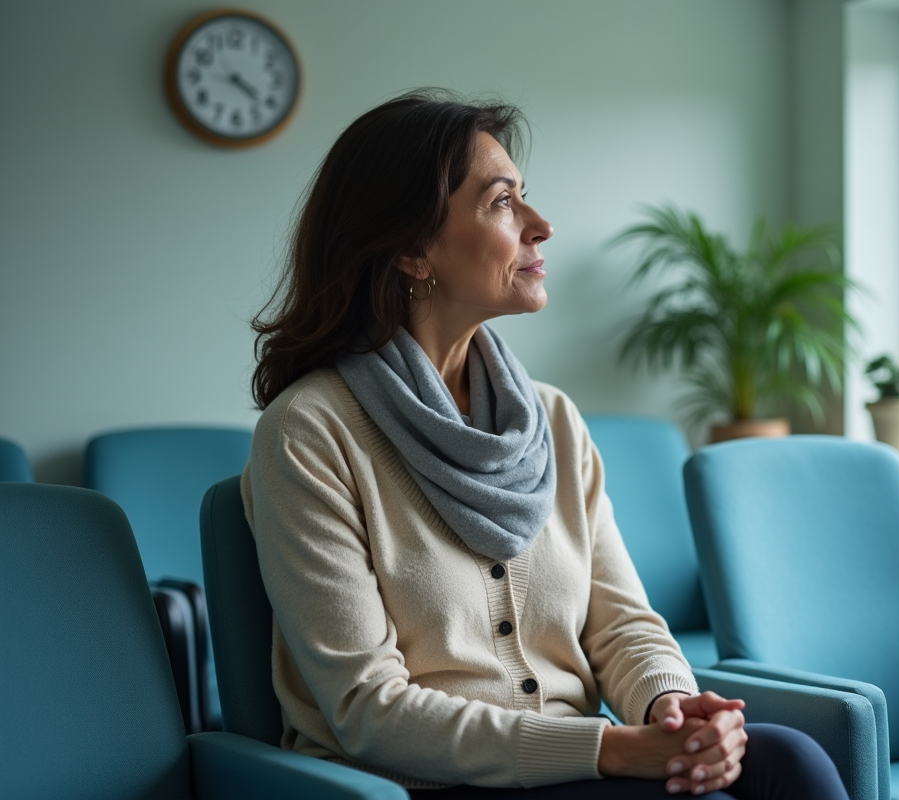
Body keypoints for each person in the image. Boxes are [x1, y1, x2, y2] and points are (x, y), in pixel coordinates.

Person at [243, 89, 849, 799]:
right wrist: (612, 750)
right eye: (503, 202)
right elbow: (367, 708)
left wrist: (672, 710)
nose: (541, 225)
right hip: (425, 783)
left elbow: (622, 624)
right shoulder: (309, 432)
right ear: (411, 250)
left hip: (582, 763)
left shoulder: (553, 418)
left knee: (791, 760)